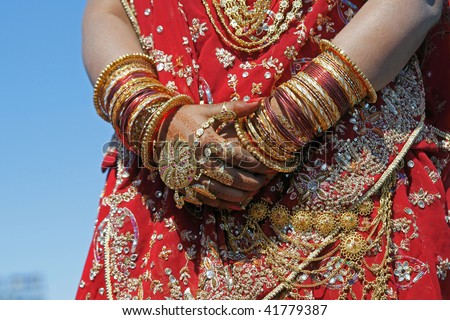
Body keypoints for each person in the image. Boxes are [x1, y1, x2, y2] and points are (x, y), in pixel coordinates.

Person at [76, 0, 450, 300]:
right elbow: (108, 9)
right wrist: (154, 118)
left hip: (353, 171)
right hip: (166, 189)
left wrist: (281, 125)